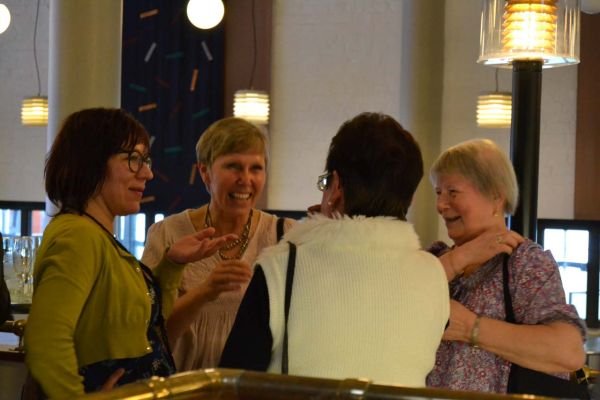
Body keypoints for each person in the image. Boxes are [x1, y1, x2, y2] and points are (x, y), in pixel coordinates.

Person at [219, 112, 450, 387]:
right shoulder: (434, 273)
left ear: (337, 186)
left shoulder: (283, 267)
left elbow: (231, 384)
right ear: (410, 197)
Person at [24, 108, 237, 398]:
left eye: (145, 161)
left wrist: (172, 264)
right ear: (93, 161)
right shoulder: (78, 236)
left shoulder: (97, 235)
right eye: (133, 159)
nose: (147, 173)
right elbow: (45, 339)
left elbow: (146, 326)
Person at [426, 138, 586, 393]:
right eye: (438, 193)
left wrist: (471, 328)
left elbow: (568, 351)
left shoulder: (525, 264)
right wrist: (459, 258)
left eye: (452, 192)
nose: (440, 205)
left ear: (496, 197)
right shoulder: (435, 259)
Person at [141, 117, 296, 371]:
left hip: (254, 387)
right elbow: (150, 335)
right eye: (233, 166)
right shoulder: (167, 233)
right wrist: (205, 292)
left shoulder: (285, 234)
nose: (245, 179)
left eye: (256, 168)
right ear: (205, 172)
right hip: (185, 384)